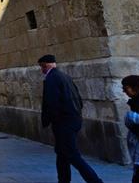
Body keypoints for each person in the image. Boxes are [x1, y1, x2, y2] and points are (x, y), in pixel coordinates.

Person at [39, 54, 103, 183]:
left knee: (72, 155)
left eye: (41, 67)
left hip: (64, 122)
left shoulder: (51, 79)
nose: (41, 70)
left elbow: (52, 102)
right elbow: (78, 99)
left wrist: (49, 120)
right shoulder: (65, 77)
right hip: (73, 119)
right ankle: (63, 180)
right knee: (62, 153)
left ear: (45, 65)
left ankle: (95, 181)